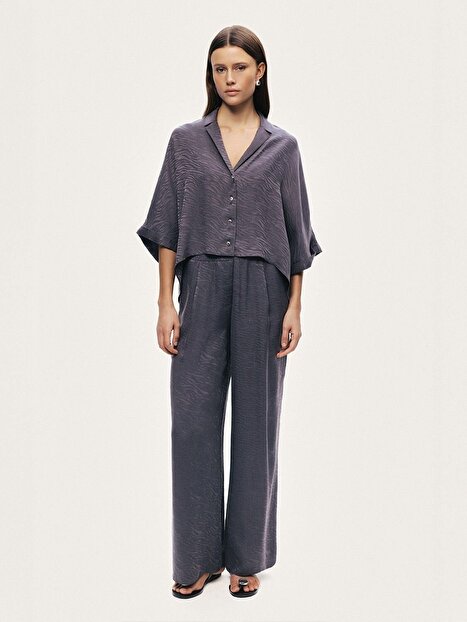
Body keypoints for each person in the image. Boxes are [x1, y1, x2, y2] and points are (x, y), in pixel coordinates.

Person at [136, 25, 323, 599]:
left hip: (265, 292)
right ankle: (197, 557)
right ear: (211, 74)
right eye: (220, 68)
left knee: (256, 424)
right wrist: (165, 301)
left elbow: (298, 238)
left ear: (259, 72)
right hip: (202, 287)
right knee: (192, 422)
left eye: (240, 67)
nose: (230, 78)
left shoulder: (283, 149)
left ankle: (246, 556)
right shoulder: (185, 144)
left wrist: (295, 307)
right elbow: (167, 226)